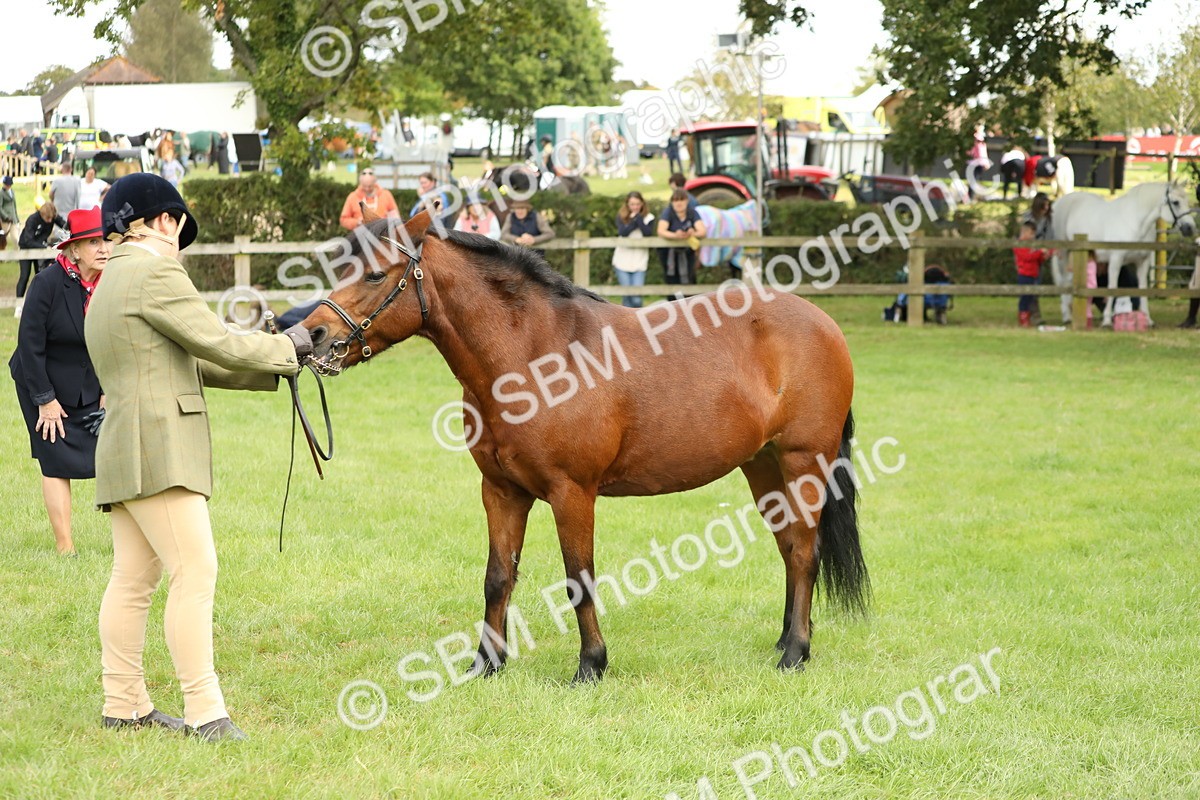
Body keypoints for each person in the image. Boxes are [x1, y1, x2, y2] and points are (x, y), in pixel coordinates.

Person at [87, 173, 314, 741]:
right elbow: (216, 340)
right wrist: (287, 346)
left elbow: (198, 361)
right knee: (196, 571)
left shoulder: (111, 279)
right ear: (161, 220)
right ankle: (205, 712)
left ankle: (123, 702)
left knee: (132, 578)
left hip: (123, 444)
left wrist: (279, 365)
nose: (179, 239)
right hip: (160, 445)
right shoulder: (156, 270)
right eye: (178, 226)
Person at [9, 207, 111, 556]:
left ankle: (129, 542)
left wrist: (107, 390)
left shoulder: (110, 284)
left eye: (105, 241)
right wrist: (45, 399)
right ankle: (65, 545)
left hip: (89, 382)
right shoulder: (47, 283)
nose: (103, 248)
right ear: (74, 249)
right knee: (55, 457)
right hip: (40, 378)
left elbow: (114, 340)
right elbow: (29, 344)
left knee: (111, 454)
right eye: (93, 242)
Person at [16, 202, 67, 318]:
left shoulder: (52, 217)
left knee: (39, 276)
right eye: (47, 218)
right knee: (24, 276)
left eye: (51, 218)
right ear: (42, 214)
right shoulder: (32, 220)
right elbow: (28, 240)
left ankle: (37, 303)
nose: (49, 221)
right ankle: (18, 306)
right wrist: (44, 247)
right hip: (26, 249)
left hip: (40, 249)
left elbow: (64, 224)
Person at [657, 188, 707, 292]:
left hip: (687, 252)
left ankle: (690, 305)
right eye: (676, 200)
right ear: (672, 202)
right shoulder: (668, 212)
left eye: (681, 199)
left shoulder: (692, 212)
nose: (679, 203)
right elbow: (661, 231)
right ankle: (673, 305)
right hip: (670, 253)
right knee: (671, 278)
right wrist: (675, 235)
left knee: (689, 277)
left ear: (687, 201)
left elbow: (702, 231)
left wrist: (692, 233)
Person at [612, 191, 655, 308]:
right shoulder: (621, 216)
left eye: (637, 204)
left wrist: (639, 219)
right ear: (627, 204)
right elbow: (623, 232)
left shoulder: (649, 218)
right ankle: (627, 324)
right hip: (622, 260)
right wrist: (634, 221)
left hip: (639, 261)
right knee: (627, 296)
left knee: (636, 298)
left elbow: (647, 233)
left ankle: (638, 322)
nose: (635, 207)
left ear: (642, 204)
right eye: (632, 204)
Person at [1021, 193, 1052, 324]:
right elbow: (1025, 234)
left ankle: (1033, 313)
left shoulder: (1047, 219)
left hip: (1040, 253)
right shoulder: (1028, 217)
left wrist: (1049, 250)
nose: (1046, 208)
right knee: (1029, 284)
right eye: (1044, 205)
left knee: (1036, 283)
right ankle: (1031, 314)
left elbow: (1050, 236)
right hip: (1029, 252)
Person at [1014, 221, 1048, 327]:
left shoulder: (1032, 245)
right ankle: (1023, 319)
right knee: (1024, 297)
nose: (1033, 236)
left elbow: (1037, 260)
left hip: (1033, 274)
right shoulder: (1019, 244)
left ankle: (1028, 318)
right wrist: (1039, 252)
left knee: (1031, 297)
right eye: (1031, 234)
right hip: (1024, 274)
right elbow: (1027, 257)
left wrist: (1044, 255)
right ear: (1025, 232)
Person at [0, 175, 17, 249]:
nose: (8, 186)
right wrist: (6, 216)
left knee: (15, 237)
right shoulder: (1, 193)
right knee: (4, 239)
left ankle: (18, 254)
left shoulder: (12, 192)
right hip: (5, 219)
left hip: (13, 218)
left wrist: (16, 217)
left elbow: (14, 205)